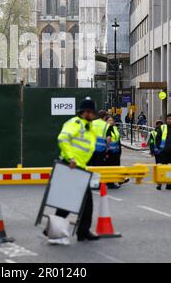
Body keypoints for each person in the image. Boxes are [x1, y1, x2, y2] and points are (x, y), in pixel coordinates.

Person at [55, 97, 99, 242]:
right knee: (84, 202)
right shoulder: (75, 123)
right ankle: (82, 232)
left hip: (78, 167)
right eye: (92, 112)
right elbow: (63, 139)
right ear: (86, 112)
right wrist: (71, 157)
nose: (93, 115)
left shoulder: (88, 126)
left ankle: (56, 230)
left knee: (72, 201)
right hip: (71, 165)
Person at [105, 116, 121, 190]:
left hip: (116, 151)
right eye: (109, 120)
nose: (111, 121)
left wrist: (120, 150)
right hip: (110, 151)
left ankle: (114, 180)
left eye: (112, 120)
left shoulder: (115, 128)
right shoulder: (106, 128)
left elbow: (118, 140)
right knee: (110, 167)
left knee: (115, 166)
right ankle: (110, 183)